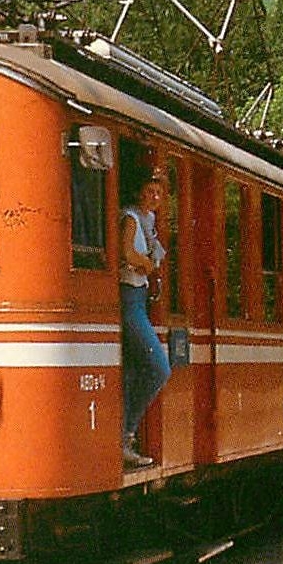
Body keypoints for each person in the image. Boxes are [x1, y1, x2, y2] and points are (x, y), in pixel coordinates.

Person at [119, 175, 171, 467]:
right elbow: (126, 251)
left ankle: (124, 439)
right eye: (150, 191)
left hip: (139, 297)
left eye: (159, 193)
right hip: (130, 299)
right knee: (159, 368)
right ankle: (126, 434)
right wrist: (147, 264)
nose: (154, 197)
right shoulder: (131, 218)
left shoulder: (149, 221)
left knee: (132, 372)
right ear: (139, 192)